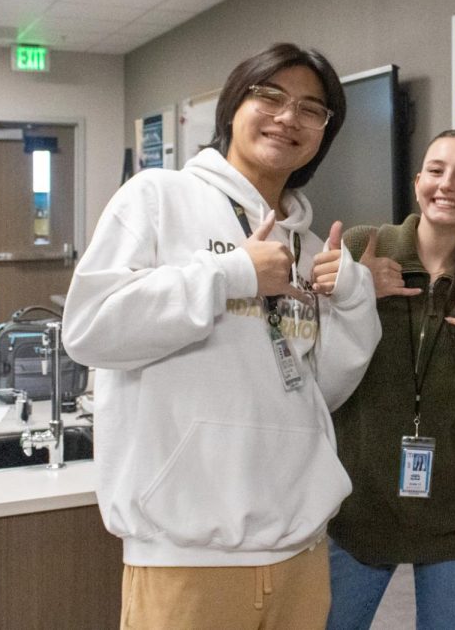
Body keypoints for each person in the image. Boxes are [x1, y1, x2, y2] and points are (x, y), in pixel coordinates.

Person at [62, 43, 381, 628]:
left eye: (312, 109)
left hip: (300, 548)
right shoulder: (158, 197)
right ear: (235, 104)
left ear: (323, 133)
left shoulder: (307, 247)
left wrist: (355, 302)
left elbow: (319, 391)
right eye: (271, 96)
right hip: (186, 554)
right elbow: (89, 328)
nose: (289, 117)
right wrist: (231, 274)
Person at [326, 130, 455, 630]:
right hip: (359, 505)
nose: (448, 185)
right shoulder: (364, 248)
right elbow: (321, 367)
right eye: (436, 171)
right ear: (418, 180)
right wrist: (351, 293)